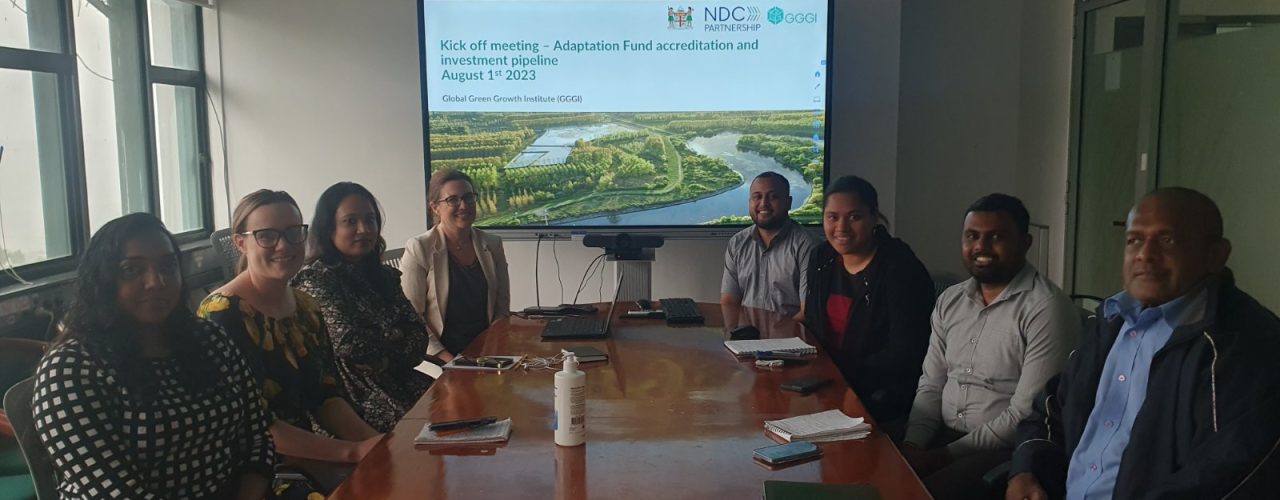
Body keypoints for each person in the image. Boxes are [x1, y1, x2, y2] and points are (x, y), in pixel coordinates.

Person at [1007, 187, 1280, 500]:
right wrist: (1026, 470)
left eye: (1167, 240)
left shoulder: (1244, 345)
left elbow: (1227, 476)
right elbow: (1051, 406)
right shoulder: (1110, 322)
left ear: (1216, 255)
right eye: (1134, 240)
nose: (1144, 254)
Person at [32, 213, 273, 498]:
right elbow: (113, 492)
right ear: (103, 281)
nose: (156, 282)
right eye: (131, 270)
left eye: (168, 266)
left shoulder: (208, 339)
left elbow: (257, 437)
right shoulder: (68, 371)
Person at [900, 194, 1078, 500]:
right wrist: (912, 445)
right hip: (940, 435)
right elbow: (932, 383)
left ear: (1025, 243)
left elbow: (1027, 414)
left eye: (997, 237)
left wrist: (940, 456)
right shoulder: (950, 300)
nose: (981, 247)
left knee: (912, 494)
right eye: (972, 236)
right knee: (866, 456)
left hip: (1002, 451)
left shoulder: (1046, 308)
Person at [198, 189, 382, 467]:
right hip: (253, 470)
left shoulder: (306, 307)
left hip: (309, 456)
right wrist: (352, 452)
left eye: (293, 233)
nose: (283, 246)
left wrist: (378, 444)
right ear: (240, 243)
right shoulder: (222, 313)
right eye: (267, 236)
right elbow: (253, 425)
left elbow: (326, 398)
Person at [292, 182, 434, 433]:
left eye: (370, 220)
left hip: (403, 383)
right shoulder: (315, 280)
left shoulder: (385, 277)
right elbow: (350, 345)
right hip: (353, 401)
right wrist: (396, 333)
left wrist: (383, 349)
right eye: (350, 221)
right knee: (423, 431)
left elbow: (419, 338)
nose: (364, 229)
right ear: (329, 228)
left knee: (458, 409)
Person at [802, 175, 935, 426]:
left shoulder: (900, 269)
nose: (841, 227)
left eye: (854, 217)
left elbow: (906, 353)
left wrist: (844, 376)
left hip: (881, 392)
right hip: (828, 382)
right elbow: (813, 322)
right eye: (832, 217)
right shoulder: (821, 258)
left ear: (874, 217)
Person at [401, 169, 510, 360]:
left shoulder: (493, 244)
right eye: (453, 200)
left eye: (469, 197)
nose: (464, 206)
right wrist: (449, 360)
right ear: (435, 207)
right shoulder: (419, 247)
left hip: (486, 350)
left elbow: (501, 307)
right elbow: (412, 318)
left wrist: (492, 350)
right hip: (440, 354)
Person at [720, 171, 820, 317]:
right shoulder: (737, 243)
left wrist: (772, 332)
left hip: (791, 330)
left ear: (788, 202)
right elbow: (729, 302)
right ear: (750, 202)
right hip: (746, 329)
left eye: (773, 197)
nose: (764, 204)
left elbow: (807, 312)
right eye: (757, 197)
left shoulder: (808, 246)